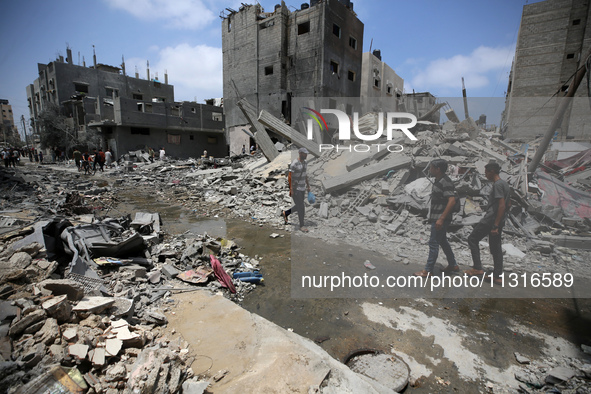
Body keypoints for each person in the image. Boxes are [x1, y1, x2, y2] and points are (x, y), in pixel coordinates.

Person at [465, 162, 511, 284]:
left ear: (492, 172)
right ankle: (497, 275)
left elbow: (501, 206)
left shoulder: (498, 185)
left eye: (486, 172)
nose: (485, 175)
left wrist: (495, 224)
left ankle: (477, 268)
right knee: (495, 247)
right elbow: (508, 205)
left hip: (491, 220)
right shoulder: (505, 184)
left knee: (472, 239)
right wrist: (501, 221)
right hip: (498, 220)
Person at [414, 159, 459, 277]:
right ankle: (453, 264)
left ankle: (428, 270)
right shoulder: (438, 181)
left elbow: (452, 200)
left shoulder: (445, 182)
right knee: (442, 241)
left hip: (440, 218)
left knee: (433, 243)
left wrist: (441, 218)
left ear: (438, 169)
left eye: (431, 168)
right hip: (437, 217)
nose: (430, 170)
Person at [281, 147, 311, 232]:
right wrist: (291, 189)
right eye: (304, 154)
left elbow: (305, 175)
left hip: (302, 188)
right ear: (300, 153)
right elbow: (290, 176)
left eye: (306, 154)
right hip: (295, 188)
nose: (306, 155)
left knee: (299, 205)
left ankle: (286, 213)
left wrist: (308, 186)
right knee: (301, 206)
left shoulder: (305, 163)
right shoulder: (294, 163)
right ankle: (301, 226)